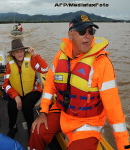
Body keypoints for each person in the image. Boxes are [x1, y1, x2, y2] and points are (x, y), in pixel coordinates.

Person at [28, 14, 129, 150]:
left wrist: (124, 145)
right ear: (71, 35)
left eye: (91, 31)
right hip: (62, 111)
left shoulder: (102, 63)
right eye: (82, 32)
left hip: (88, 123)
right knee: (37, 131)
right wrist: (43, 111)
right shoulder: (60, 56)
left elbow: (114, 109)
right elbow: (50, 85)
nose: (87, 35)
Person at [2, 39, 48, 138]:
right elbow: (5, 84)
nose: (20, 54)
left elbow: (45, 69)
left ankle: (31, 129)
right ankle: (13, 127)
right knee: (11, 106)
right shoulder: (9, 65)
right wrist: (15, 96)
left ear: (24, 51)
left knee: (27, 105)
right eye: (17, 52)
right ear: (13, 54)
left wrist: (36, 55)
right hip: (17, 92)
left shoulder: (31, 59)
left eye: (21, 51)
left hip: (33, 90)